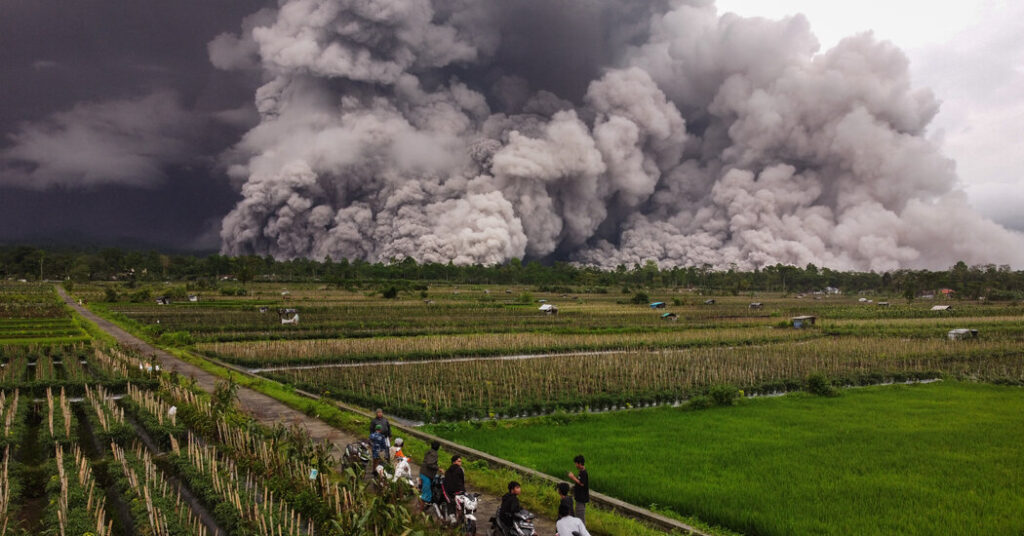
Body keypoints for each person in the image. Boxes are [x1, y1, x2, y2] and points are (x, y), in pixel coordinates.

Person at [567, 454, 589, 523]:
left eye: (576, 463)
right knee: (578, 517)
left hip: (581, 499)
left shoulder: (584, 473)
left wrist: (572, 477)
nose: (575, 465)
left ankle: (583, 532)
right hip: (579, 498)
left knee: (580, 518)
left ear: (579, 463)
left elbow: (582, 483)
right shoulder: (581, 472)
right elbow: (579, 482)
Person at [419, 441, 441, 506]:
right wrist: (438, 468)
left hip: (423, 472)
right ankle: (421, 509)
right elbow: (429, 463)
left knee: (425, 491)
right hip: (427, 474)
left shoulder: (430, 451)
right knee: (426, 494)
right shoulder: (434, 454)